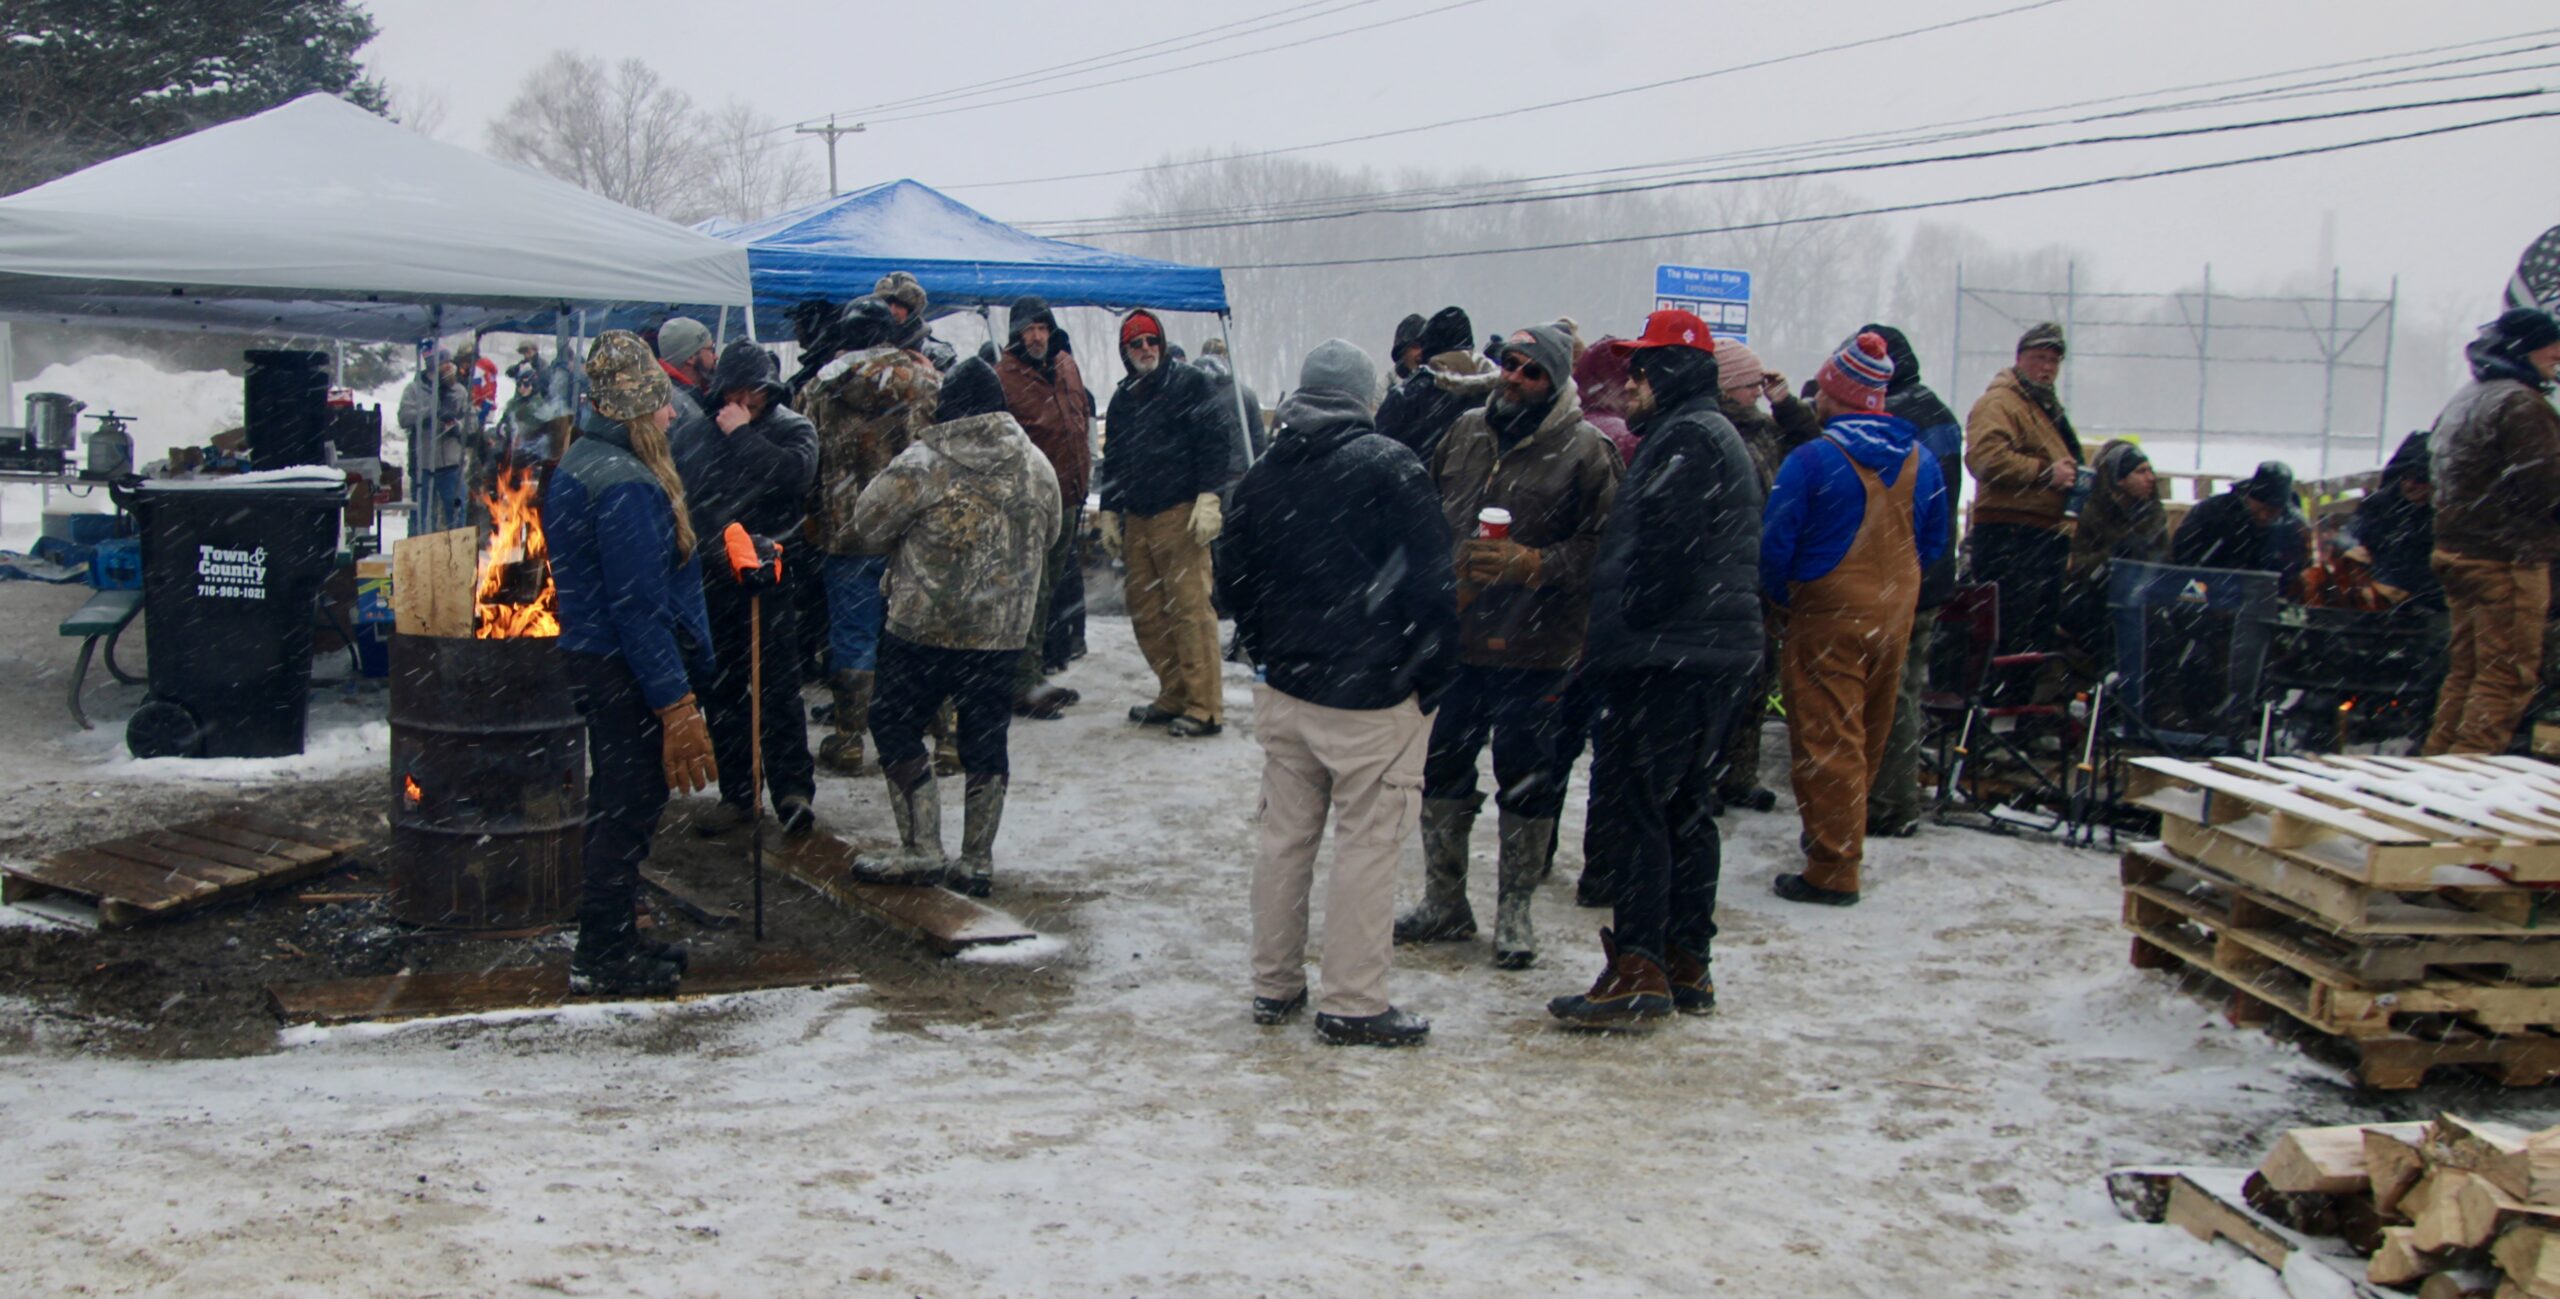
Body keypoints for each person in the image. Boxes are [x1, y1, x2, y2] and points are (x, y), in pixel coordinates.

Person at [1220, 339, 1457, 1047]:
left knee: (1284, 840)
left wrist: (1272, 647)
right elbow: (1433, 586)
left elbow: (1228, 585)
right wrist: (1430, 675)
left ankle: (1274, 982)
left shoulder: (1265, 475)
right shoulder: (1391, 467)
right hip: (1375, 696)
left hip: (1289, 690)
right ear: (1366, 399)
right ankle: (1352, 1000)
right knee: (1367, 845)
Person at [1545, 310, 1761, 1025]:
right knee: (1683, 807)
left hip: (1672, 656)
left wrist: (1622, 633)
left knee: (1642, 806)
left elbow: (1662, 558)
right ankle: (1683, 959)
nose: (1628, 382)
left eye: (1640, 369)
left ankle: (1640, 962)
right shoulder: (1705, 433)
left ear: (1666, 374)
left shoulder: (1687, 440)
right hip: (1707, 652)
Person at [1396, 323, 1620, 971]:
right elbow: (1426, 512)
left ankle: (1515, 911)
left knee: (1526, 781)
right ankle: (1445, 901)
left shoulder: (1587, 450)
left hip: (1538, 647)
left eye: (1532, 371)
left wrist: (1532, 564)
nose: (1515, 378)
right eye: (1510, 365)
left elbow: (1605, 551)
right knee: (1441, 771)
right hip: (1458, 642)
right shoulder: (1465, 432)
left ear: (1555, 382)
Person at [544, 330, 718, 995]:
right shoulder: (625, 485)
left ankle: (612, 933)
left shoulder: (580, 460)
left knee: (616, 804)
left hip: (597, 660)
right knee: (627, 808)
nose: (673, 414)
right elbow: (638, 607)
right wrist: (675, 703)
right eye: (663, 403)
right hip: (625, 669)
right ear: (637, 409)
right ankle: (602, 955)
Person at [846, 358, 1062, 897]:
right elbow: (1052, 534)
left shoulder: (921, 463)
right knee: (986, 736)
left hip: (922, 627)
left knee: (895, 724)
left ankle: (922, 849)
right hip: (1001, 632)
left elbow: (866, 527)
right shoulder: (1037, 464)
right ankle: (976, 861)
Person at [1760, 331, 1950, 907]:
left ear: (1834, 394)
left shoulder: (1813, 458)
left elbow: (1775, 546)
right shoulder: (1923, 460)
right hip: (1895, 613)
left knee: (1826, 735)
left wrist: (1783, 600)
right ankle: (1838, 829)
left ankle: (1833, 867)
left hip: (1827, 613)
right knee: (1867, 732)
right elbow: (1935, 542)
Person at [674, 339, 820, 837]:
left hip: (775, 577)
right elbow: (687, 499)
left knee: (778, 689)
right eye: (735, 391)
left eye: (753, 391)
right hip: (715, 578)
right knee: (724, 692)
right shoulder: (694, 434)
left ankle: (793, 790)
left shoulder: (793, 429)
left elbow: (795, 478)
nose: (744, 401)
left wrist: (742, 437)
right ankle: (738, 792)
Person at [801, 295, 942, 775]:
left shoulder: (821, 386)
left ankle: (848, 740)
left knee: (853, 636)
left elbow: (808, 459)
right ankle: (946, 740)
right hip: (915, 530)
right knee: (924, 630)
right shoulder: (925, 381)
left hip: (849, 532)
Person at [2423, 307, 2560, 755]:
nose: (2557, 354)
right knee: (2506, 676)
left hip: (2459, 553)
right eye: (2549, 345)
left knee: (2467, 671)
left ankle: (2435, 772)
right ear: (2523, 349)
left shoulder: (2470, 397)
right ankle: (2465, 783)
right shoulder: (2521, 404)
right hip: (2508, 560)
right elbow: (2545, 487)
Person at [1096, 309, 1232, 738]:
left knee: (1191, 610)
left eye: (1151, 341)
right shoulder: (1122, 399)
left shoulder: (1190, 384)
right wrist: (1109, 511)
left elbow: (1216, 442)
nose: (1145, 349)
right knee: (1149, 612)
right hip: (1138, 517)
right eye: (1136, 344)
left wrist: (1210, 496)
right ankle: (1173, 692)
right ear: (1125, 350)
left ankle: (1204, 706)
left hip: (1180, 514)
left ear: (1162, 342)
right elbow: (1114, 460)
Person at [1860, 324, 1966, 839]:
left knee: (1892, 692)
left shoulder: (1895, 419)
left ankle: (1890, 803)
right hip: (1933, 571)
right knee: (1908, 687)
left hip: (1903, 574)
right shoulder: (1940, 413)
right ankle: (1897, 795)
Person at [1706, 338, 1818, 819]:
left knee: (1755, 681)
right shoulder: (1724, 432)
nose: (1758, 391)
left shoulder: (1764, 429)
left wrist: (1787, 405)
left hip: (1759, 573)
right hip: (1730, 574)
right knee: (1723, 688)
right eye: (1751, 383)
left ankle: (1739, 775)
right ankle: (1708, 775)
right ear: (1730, 386)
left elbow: (1810, 444)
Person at [1963, 321, 2083, 704]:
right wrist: (2045, 473)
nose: (2047, 368)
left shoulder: (2042, 407)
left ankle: (2017, 715)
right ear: (2019, 360)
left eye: (2053, 361)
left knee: (2035, 634)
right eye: (2039, 359)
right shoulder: (2000, 404)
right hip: (2010, 538)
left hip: (2042, 538)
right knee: (2009, 633)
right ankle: (1997, 715)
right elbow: (1984, 458)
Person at [997, 296, 1097, 719]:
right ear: (1016, 335)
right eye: (1028, 329)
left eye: (1042, 328)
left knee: (1050, 592)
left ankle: (1034, 674)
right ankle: (1021, 684)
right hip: (1030, 504)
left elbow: (1079, 422)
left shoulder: (1065, 366)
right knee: (1029, 594)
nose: (1036, 336)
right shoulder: (1004, 378)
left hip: (1069, 498)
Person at [2059, 439, 2170, 657]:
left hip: (2142, 600)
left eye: (2150, 470)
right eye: (2140, 471)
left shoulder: (2153, 516)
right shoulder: (2088, 512)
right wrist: (2114, 556)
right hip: (2094, 601)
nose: (2151, 478)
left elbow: (2163, 561)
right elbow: (2073, 566)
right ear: (2119, 480)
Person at [1374, 306, 1496, 464]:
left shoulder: (1410, 396)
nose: (1420, 353)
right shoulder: (1500, 394)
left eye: (1423, 345)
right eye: (1415, 346)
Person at [2171, 461, 2310, 591]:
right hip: (2208, 592)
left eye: (2272, 512)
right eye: (2259, 509)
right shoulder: (2213, 513)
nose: (2264, 516)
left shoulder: (2293, 527)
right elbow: (2183, 555)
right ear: (2249, 497)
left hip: (2266, 601)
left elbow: (2296, 571)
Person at [2350, 432, 2441, 609]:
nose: (2409, 484)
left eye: (2420, 478)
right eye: (2405, 477)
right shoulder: (2383, 505)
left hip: (2425, 601)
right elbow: (2356, 535)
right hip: (2379, 594)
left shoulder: (2444, 515)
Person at [397, 349, 472, 532]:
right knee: (421, 517)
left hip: (452, 464)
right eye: (443, 362)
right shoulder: (414, 389)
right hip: (423, 465)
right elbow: (404, 417)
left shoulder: (459, 391)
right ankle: (420, 557)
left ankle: (456, 556)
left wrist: (458, 427)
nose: (448, 366)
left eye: (449, 362)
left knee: (456, 513)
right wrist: (429, 414)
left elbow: (472, 421)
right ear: (432, 365)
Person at [874, 270, 959, 372]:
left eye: (900, 305)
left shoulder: (936, 355)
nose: (893, 311)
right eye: (888, 304)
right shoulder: (865, 345)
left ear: (911, 310)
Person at [655, 316, 717, 405]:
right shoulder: (677, 403)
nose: (716, 357)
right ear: (691, 358)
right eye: (711, 349)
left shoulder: (691, 393)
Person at [1389, 312, 1428, 385]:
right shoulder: (1382, 391)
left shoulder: (1441, 388)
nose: (1422, 352)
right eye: (1416, 346)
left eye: (1426, 347)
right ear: (1401, 351)